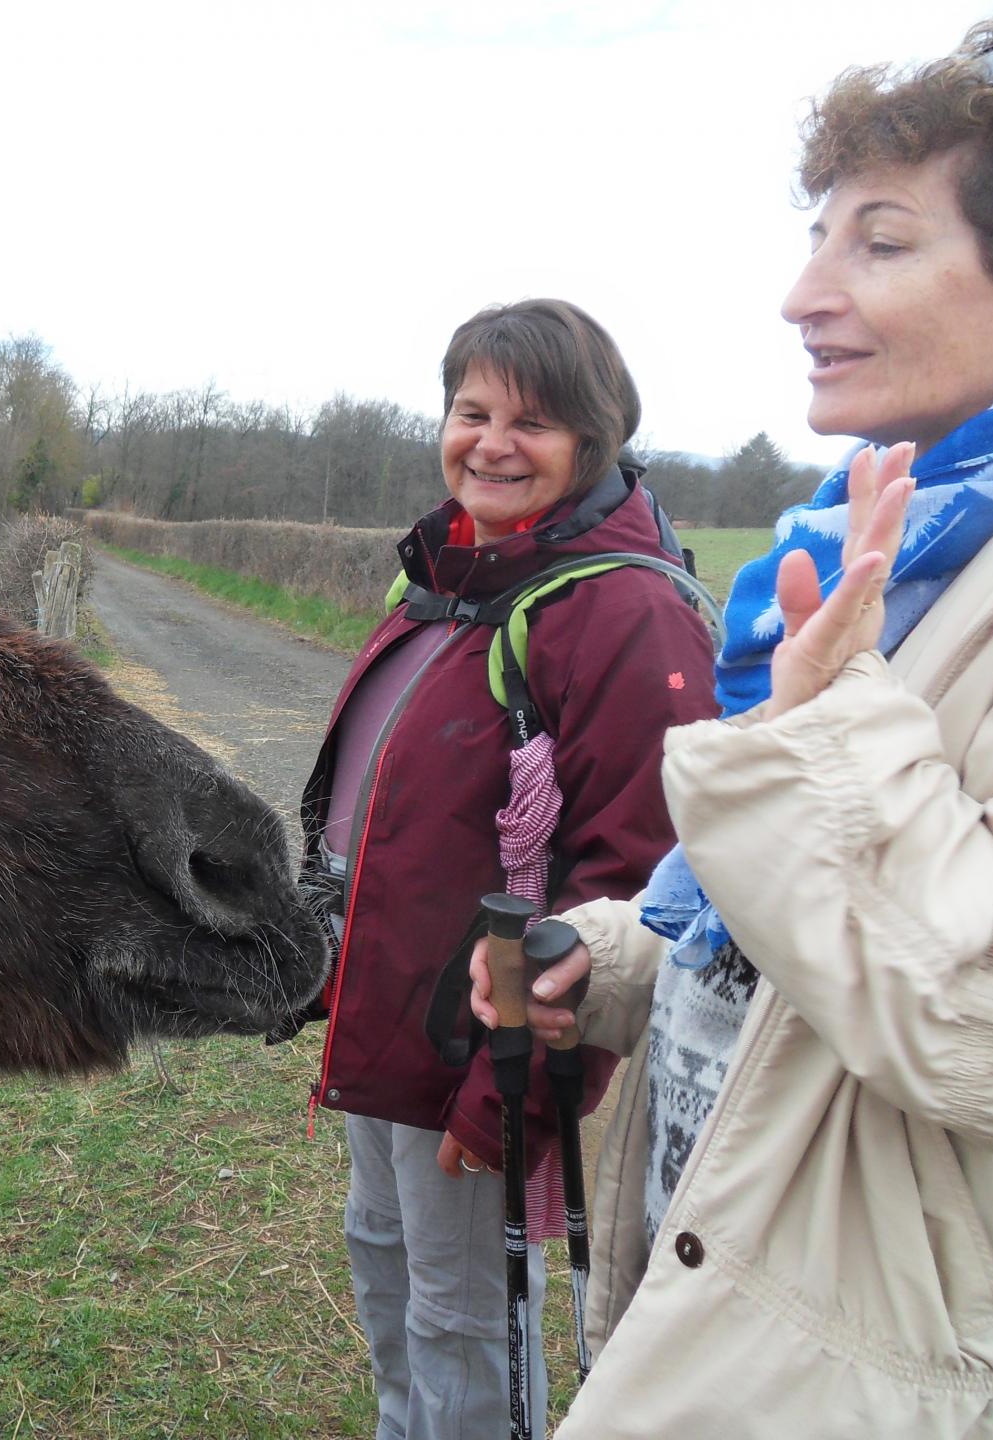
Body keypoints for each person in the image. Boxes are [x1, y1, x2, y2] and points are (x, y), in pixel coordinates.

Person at [468, 10, 993, 1436]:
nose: (803, 293)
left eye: (884, 242)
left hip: (884, 1374)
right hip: (739, 1289)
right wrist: (612, 960)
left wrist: (828, 722)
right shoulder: (911, 545)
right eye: (818, 235)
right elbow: (803, 939)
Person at [298, 298, 718, 1440]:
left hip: (487, 1048)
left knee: (461, 1320)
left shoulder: (621, 612)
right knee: (384, 1267)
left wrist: (510, 1100)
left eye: (529, 421)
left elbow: (635, 887)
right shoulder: (451, 579)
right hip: (387, 1023)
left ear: (595, 441)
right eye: (470, 410)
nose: (488, 441)